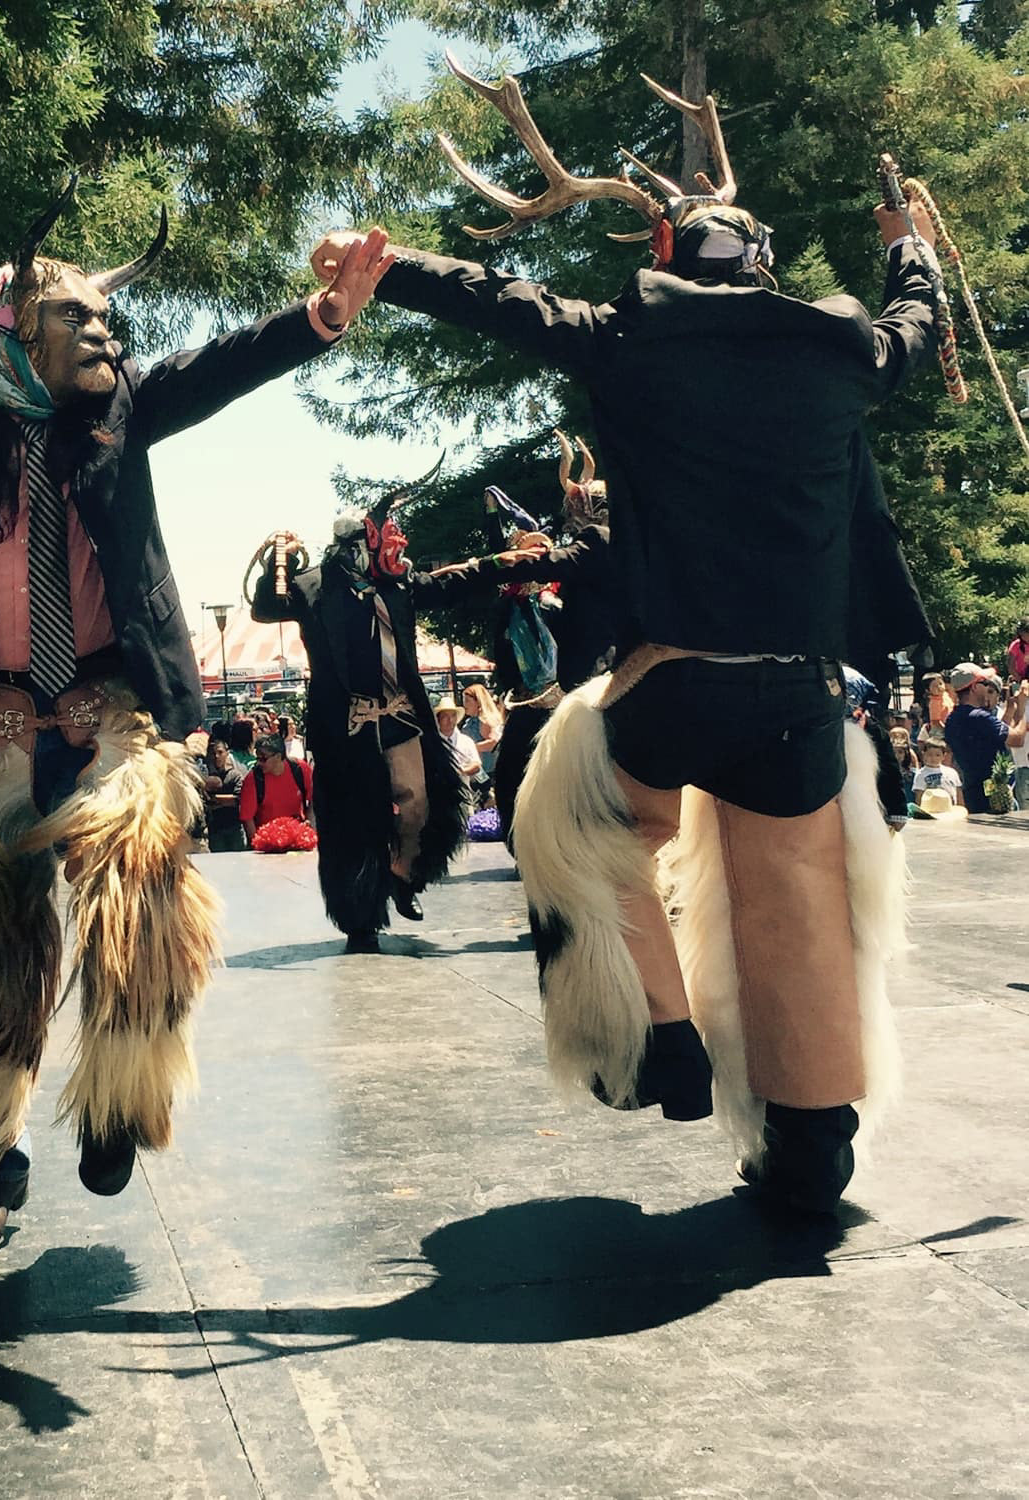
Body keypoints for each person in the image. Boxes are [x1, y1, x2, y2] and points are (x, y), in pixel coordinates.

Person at [315, 61, 941, 1212]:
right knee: (792, 891)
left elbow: (499, 299)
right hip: (801, 695)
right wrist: (909, 241)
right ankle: (810, 1137)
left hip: (675, 684)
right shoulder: (842, 352)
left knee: (572, 813)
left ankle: (658, 1038)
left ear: (666, 261)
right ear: (764, 269)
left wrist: (388, 265)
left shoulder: (631, 340)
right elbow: (914, 316)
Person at [0, 190, 392, 1255]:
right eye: (74, 315)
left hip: (111, 702)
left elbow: (222, 366)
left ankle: (119, 1104)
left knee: (141, 895)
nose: (104, 330)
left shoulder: (120, 404)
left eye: (108, 318)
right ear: (8, 329)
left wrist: (322, 317)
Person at [249, 468, 550, 952]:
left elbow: (458, 579)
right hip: (345, 725)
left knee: (421, 803)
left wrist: (510, 561)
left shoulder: (398, 583)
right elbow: (266, 606)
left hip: (402, 716)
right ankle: (359, 918)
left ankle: (406, 874)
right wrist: (276, 561)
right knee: (354, 820)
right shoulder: (312, 586)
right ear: (351, 544)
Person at [481, 435, 616, 834]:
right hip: (557, 688)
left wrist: (506, 564)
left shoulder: (590, 549)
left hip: (579, 684)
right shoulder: (523, 602)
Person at [942, 664, 1028, 813]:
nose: (988, 688)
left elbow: (996, 736)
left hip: (973, 790)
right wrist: (1023, 707)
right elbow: (1017, 740)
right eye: (985, 683)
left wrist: (1011, 709)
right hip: (994, 792)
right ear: (975, 687)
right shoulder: (979, 717)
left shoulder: (953, 719)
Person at [238, 733, 314, 843]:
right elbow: (247, 818)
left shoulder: (301, 770)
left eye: (263, 758)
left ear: (278, 756)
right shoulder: (253, 780)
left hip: (297, 838)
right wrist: (258, 844)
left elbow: (314, 801)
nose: (258, 763)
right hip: (267, 841)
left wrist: (309, 830)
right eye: (257, 758)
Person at [201, 736, 247, 852]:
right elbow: (203, 801)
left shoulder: (235, 776)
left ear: (227, 753)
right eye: (213, 753)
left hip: (234, 828)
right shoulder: (205, 778)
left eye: (220, 752)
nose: (217, 756)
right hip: (215, 830)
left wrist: (214, 800)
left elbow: (238, 799)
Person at [458, 684, 501, 806]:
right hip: (474, 772)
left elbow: (493, 743)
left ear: (478, 702)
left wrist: (471, 749)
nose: (464, 704)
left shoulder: (485, 720)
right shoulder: (470, 721)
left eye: (467, 700)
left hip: (485, 773)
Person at [434, 698, 483, 782]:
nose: (450, 720)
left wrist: (462, 772)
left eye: (453, 715)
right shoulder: (432, 743)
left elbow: (477, 765)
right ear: (438, 719)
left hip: (463, 789)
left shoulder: (466, 741)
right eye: (445, 716)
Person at [912, 735, 962, 807]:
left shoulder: (952, 772)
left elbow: (958, 792)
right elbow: (919, 796)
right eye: (929, 755)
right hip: (931, 810)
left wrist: (961, 807)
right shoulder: (921, 774)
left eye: (937, 755)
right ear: (923, 754)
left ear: (944, 756)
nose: (933, 758)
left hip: (951, 808)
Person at [1005, 617, 1029, 684]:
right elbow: (1010, 666)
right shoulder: (1016, 645)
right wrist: (1020, 679)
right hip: (1021, 679)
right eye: (1023, 634)